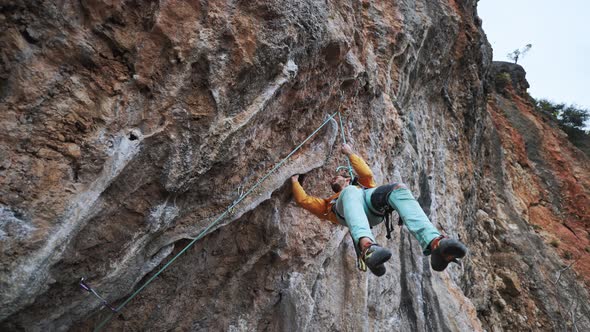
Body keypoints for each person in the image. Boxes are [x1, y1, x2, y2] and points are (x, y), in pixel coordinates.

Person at [291, 143, 467, 276]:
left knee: (398, 189)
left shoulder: (362, 185)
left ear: (347, 178)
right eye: (332, 182)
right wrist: (294, 181)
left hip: (371, 207)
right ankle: (368, 248)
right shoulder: (327, 206)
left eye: (337, 177)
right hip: (347, 211)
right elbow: (304, 200)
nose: (333, 180)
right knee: (350, 192)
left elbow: (366, 174)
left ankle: (435, 243)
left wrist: (350, 153)